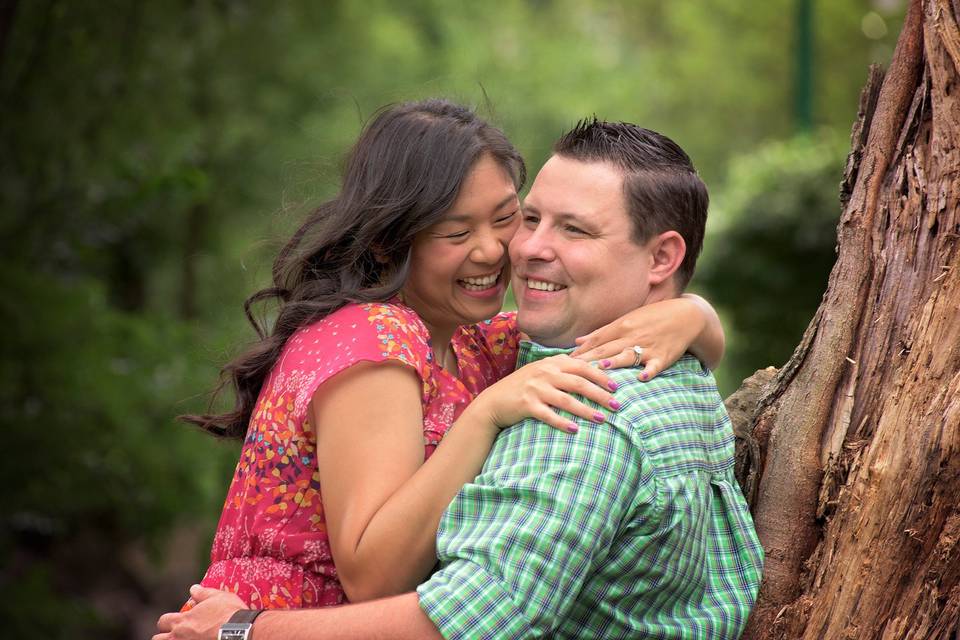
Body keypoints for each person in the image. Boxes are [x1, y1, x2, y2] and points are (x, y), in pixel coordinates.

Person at [156, 118, 763, 640]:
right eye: (456, 232)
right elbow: (374, 578)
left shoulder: (478, 341)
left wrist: (693, 314)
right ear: (395, 240)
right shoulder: (376, 341)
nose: (505, 251)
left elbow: (677, 333)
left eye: (505, 219)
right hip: (268, 622)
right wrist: (483, 415)